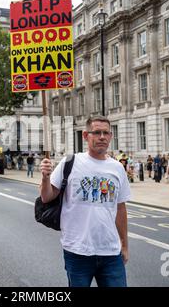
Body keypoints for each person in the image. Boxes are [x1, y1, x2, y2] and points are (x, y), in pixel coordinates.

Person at [39, 116, 131, 287]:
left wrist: (124, 245)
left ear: (111, 136)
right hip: (77, 250)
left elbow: (120, 209)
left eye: (106, 133)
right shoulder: (70, 162)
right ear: (85, 136)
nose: (102, 137)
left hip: (110, 252)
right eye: (96, 132)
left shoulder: (117, 168)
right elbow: (47, 197)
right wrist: (45, 178)